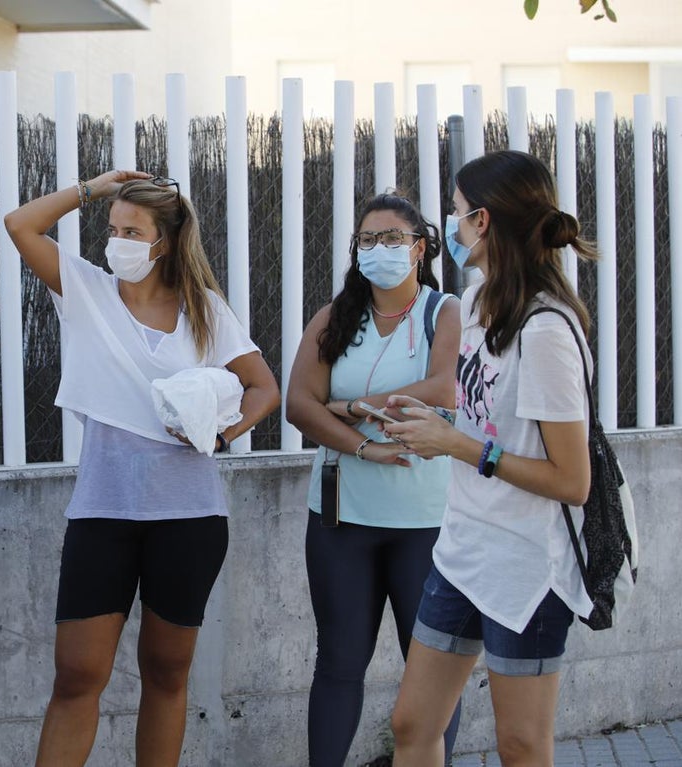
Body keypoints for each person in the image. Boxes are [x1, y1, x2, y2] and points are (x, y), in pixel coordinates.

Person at [5, 171, 280, 766]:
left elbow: (264, 388)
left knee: (166, 673)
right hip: (102, 513)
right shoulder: (87, 291)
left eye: (133, 232)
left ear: (166, 241)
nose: (117, 242)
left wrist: (220, 433)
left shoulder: (204, 310)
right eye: (113, 229)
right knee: (77, 675)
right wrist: (97, 188)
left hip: (189, 517)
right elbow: (21, 224)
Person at [383, 150, 597, 767]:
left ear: (483, 220)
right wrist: (437, 425)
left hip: (527, 567)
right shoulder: (476, 302)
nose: (448, 225)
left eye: (455, 211)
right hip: (464, 549)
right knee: (412, 724)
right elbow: (488, 421)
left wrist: (459, 445)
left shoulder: (546, 330)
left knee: (520, 745)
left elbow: (572, 481)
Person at [285, 193, 462, 766]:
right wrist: (366, 445)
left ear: (419, 248)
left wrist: (351, 406)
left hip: (425, 524)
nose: (378, 249)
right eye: (367, 239)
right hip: (342, 520)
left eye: (391, 239)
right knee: (338, 664)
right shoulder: (335, 317)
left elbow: (443, 389)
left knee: (430, 669)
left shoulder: (444, 312)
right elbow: (299, 405)